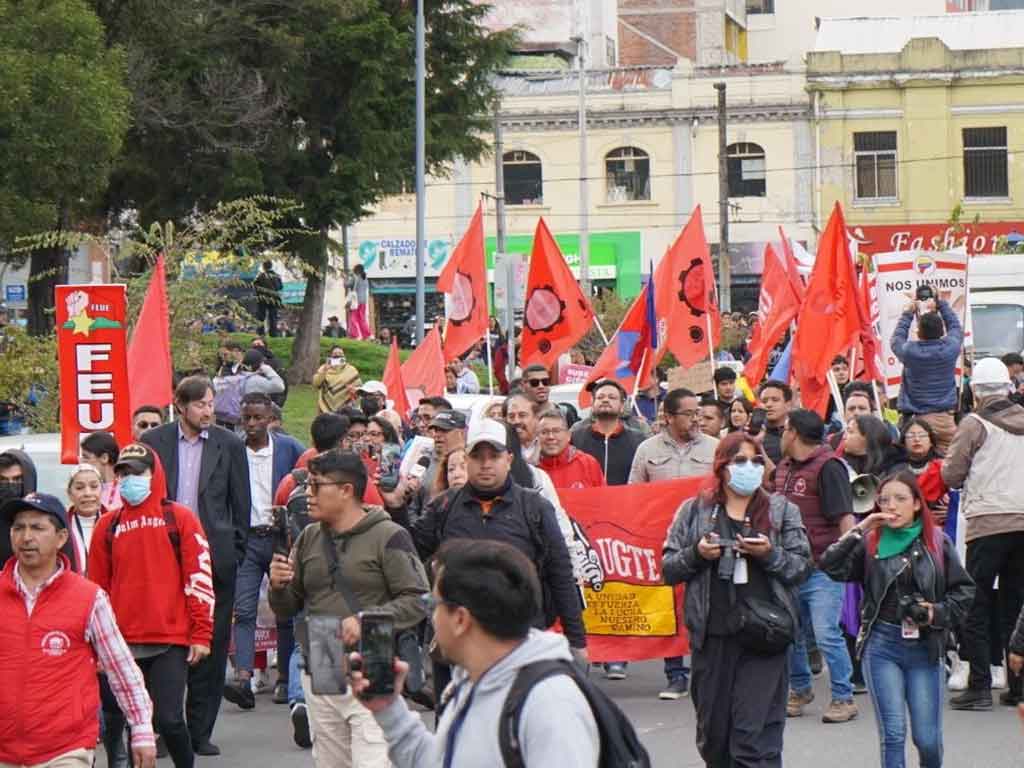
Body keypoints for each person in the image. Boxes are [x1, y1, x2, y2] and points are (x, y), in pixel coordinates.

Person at [351, 539, 599, 768]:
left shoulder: (549, 703)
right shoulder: (467, 683)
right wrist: (389, 709)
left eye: (432, 605)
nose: (431, 619)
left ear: (460, 619)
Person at [268, 450, 429, 768]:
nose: (307, 494)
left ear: (346, 490)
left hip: (373, 658)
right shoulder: (309, 537)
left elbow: (418, 599)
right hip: (322, 658)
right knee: (330, 762)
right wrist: (278, 586)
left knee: (372, 761)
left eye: (316, 485)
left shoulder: (388, 535)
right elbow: (288, 608)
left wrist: (367, 620)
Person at [663, 433, 812, 768]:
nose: (750, 468)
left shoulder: (781, 511)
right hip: (713, 638)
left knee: (751, 742)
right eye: (740, 461)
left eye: (756, 461)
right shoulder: (695, 510)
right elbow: (668, 568)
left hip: (766, 637)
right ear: (722, 466)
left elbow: (802, 567)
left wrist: (769, 555)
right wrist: (697, 554)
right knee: (715, 742)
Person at [413, 419, 588, 696]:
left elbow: (560, 572)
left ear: (509, 459)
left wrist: (576, 640)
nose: (485, 464)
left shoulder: (535, 507)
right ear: (466, 460)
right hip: (458, 646)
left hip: (520, 643)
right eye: (477, 457)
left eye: (493, 456)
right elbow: (410, 557)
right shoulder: (444, 506)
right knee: (457, 721)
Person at [820, 472, 975, 767]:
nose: (891, 506)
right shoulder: (870, 542)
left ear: (916, 503)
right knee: (893, 734)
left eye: (901, 499)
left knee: (927, 739)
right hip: (882, 644)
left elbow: (964, 591)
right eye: (884, 499)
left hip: (926, 645)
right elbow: (830, 565)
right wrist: (861, 527)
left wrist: (936, 612)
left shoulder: (937, 541)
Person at [0, 492, 157, 768]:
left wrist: (142, 731)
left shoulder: (88, 597)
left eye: (37, 528)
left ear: (61, 538)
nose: (26, 537)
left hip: (66, 750)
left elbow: (121, 668)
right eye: (18, 528)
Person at [141, 376, 251, 756]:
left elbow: (240, 503)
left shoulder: (229, 444)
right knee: (163, 646)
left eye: (211, 404)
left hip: (212, 559)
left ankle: (199, 732)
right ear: (180, 406)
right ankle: (164, 729)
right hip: (162, 558)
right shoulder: (154, 442)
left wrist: (233, 552)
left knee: (211, 646)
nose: (208, 411)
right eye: (201, 404)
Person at [89, 444, 215, 768]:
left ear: (154, 474)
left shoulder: (180, 518)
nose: (129, 479)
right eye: (123, 473)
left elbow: (199, 577)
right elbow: (97, 590)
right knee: (136, 726)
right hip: (122, 643)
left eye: (138, 472)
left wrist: (201, 633)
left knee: (170, 720)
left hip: (170, 639)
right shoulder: (107, 525)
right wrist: (98, 646)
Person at [942, 357, 1024, 711]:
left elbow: (951, 474)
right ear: (1008, 387)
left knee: (975, 603)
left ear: (975, 391)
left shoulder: (974, 424)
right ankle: (1018, 686)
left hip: (987, 522)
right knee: (1016, 604)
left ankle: (979, 686)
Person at [628, 387, 718, 697]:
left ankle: (708, 670)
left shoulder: (715, 448)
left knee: (707, 602)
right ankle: (676, 673)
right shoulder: (646, 449)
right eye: (689, 413)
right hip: (664, 539)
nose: (696, 419)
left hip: (707, 538)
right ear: (668, 416)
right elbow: (634, 494)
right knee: (668, 604)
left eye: (698, 413)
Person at [772, 409, 859, 723]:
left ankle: (843, 697)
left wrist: (848, 558)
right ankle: (800, 689)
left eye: (784, 429)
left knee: (826, 634)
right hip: (787, 568)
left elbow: (845, 517)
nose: (781, 435)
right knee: (790, 634)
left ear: (793, 432)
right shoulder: (783, 467)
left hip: (823, 568)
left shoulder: (829, 467)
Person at [223, 394, 305, 710]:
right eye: (247, 418)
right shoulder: (233, 450)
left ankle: (284, 677)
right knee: (243, 609)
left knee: (284, 608)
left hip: (280, 538)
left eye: (258, 417)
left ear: (270, 418)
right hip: (247, 540)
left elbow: (304, 478)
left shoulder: (288, 448)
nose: (252, 424)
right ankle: (243, 677)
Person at [891, 297, 963, 454]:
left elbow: (896, 340)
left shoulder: (910, 351)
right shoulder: (951, 348)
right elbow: (955, 327)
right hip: (945, 421)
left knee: (917, 463)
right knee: (947, 464)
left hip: (916, 423)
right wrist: (942, 304)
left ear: (918, 332)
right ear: (942, 331)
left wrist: (908, 314)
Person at [570, 380, 646, 486]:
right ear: (592, 403)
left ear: (622, 405)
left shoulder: (639, 441)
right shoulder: (575, 438)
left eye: (612, 397)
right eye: (600, 397)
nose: (605, 400)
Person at [537, 410, 605, 489]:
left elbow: (604, 495)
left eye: (556, 431)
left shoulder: (588, 464)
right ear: (536, 436)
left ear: (568, 435)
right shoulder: (530, 468)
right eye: (544, 432)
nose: (550, 437)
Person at [66, 463, 106, 576]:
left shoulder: (115, 524)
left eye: (94, 486)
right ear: (69, 494)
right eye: (79, 488)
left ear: (102, 490)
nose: (87, 493)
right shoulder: (60, 526)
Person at [81, 431, 123, 512]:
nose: (82, 462)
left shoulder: (126, 489)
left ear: (104, 458)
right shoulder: (85, 488)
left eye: (86, 457)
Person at [313, 346, 362, 415]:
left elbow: (360, 389)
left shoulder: (351, 370)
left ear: (344, 356)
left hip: (345, 408)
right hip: (325, 409)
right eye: (335, 353)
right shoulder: (323, 368)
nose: (338, 355)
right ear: (330, 356)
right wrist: (324, 370)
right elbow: (316, 384)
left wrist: (354, 390)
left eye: (340, 353)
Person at [759, 380, 793, 465]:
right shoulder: (754, 436)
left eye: (775, 400)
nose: (768, 404)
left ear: (788, 404)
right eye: (764, 401)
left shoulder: (800, 435)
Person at [505, 393, 541, 465]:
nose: (516, 421)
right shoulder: (501, 449)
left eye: (522, 415)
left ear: (536, 418)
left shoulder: (550, 444)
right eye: (511, 416)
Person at [253, 260, 283, 337]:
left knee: (261, 316)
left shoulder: (260, 276)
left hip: (262, 298)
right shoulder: (277, 275)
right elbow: (280, 287)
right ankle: (273, 333)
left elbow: (255, 286)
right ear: (271, 266)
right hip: (274, 299)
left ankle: (260, 332)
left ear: (263, 267)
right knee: (273, 316)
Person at [345, 265, 371, 340]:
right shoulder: (365, 278)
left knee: (353, 317)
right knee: (362, 318)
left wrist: (345, 278)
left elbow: (347, 285)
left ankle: (355, 334)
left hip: (355, 301)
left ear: (356, 270)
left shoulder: (355, 277)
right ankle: (366, 335)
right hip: (363, 301)